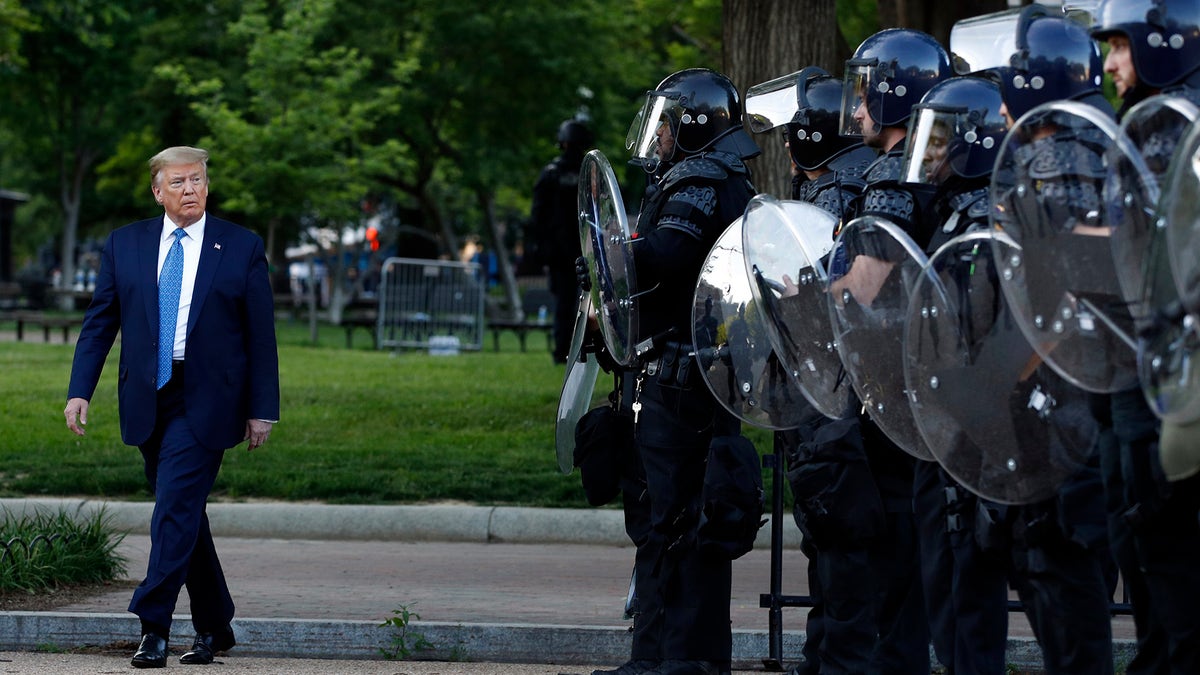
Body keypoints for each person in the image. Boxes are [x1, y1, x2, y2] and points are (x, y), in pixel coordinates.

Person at [63, 146, 280, 669]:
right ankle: (215, 625)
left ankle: (152, 624)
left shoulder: (242, 246)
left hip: (209, 399)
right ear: (158, 191)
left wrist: (262, 408)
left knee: (173, 509)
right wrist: (79, 390)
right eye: (179, 182)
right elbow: (100, 323)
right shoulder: (125, 244)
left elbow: (260, 336)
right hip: (147, 395)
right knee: (184, 515)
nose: (191, 190)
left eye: (198, 181)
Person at [588, 67, 760, 675]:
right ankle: (670, 657)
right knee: (680, 522)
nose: (656, 136)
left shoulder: (701, 180)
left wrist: (609, 255)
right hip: (694, 369)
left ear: (690, 125)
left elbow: (666, 256)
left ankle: (675, 660)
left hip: (687, 377)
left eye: (665, 123)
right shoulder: (717, 176)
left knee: (677, 523)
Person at [744, 66, 880, 675]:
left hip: (829, 394)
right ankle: (827, 656)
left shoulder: (831, 197)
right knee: (837, 538)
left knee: (835, 538)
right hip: (853, 393)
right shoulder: (866, 182)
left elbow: (807, 294)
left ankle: (832, 661)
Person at [837, 27, 952, 675]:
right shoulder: (946, 166)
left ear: (895, 94)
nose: (855, 111)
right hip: (935, 384)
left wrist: (809, 289)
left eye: (864, 94)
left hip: (888, 388)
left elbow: (864, 283)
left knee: (890, 550)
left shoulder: (891, 175)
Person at [1089, 2, 1200, 673]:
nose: (1108, 64)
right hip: (1154, 358)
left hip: (1158, 365)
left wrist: (1057, 244)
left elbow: (1148, 244)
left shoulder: (1164, 128)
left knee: (1159, 535)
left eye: (1121, 47)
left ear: (1163, 42)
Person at [532, 119, 594, 363]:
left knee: (563, 305)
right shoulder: (588, 172)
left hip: (559, 252)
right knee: (587, 303)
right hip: (585, 248)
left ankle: (562, 352)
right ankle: (582, 351)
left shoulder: (551, 174)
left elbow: (538, 216)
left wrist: (543, 249)